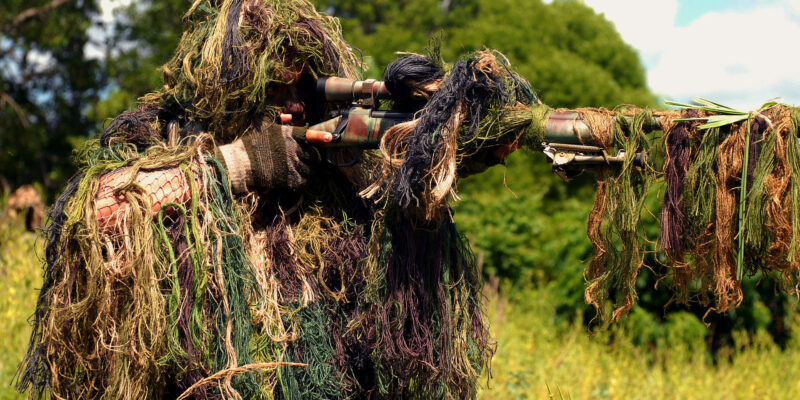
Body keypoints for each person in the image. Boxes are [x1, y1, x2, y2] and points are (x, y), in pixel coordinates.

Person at [16, 0, 539, 398]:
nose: (290, 107)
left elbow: (404, 280)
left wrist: (430, 158)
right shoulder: (164, 132)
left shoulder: (335, 171)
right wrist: (238, 164)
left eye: (301, 89)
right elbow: (95, 215)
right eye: (271, 90)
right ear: (225, 89)